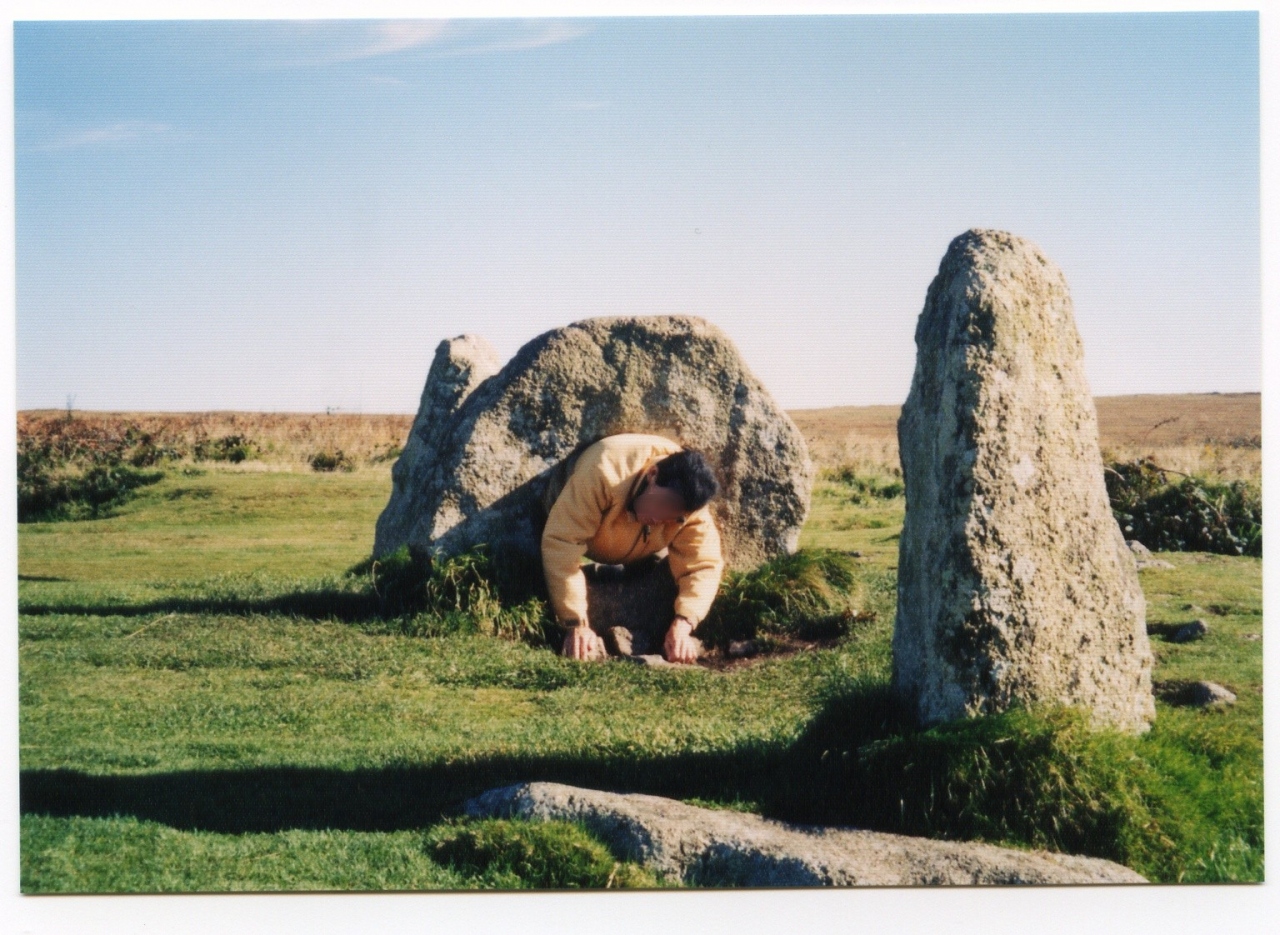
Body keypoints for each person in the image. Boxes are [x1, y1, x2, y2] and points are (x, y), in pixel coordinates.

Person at [539, 433, 724, 663]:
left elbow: (703, 565)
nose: (659, 519)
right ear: (653, 475)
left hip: (637, 549)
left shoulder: (689, 506)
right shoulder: (603, 471)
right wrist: (576, 622)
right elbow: (563, 541)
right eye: (662, 504)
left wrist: (684, 624)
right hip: (571, 513)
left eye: (672, 518)